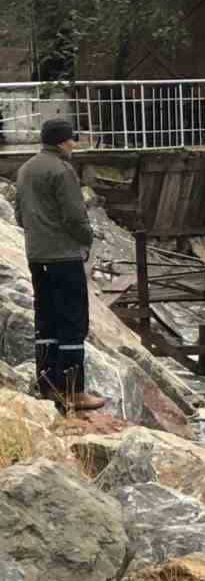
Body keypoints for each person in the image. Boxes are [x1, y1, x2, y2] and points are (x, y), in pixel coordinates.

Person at [15, 118, 105, 411]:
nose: (74, 145)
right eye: (71, 140)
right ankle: (74, 391)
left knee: (46, 320)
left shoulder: (26, 169)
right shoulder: (62, 170)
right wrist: (87, 240)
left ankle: (47, 385)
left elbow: (19, 215)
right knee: (72, 322)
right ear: (61, 141)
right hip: (63, 257)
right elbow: (75, 217)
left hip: (36, 256)